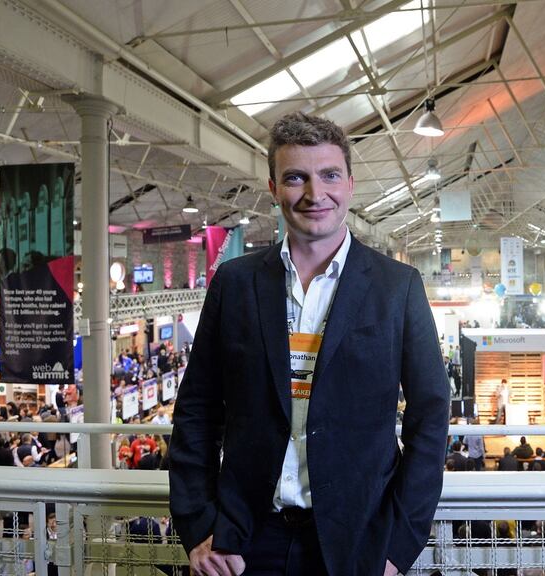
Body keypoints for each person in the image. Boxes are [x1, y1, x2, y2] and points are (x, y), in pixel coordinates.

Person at [168, 112, 450, 576]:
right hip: (243, 542)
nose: (315, 195)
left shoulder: (396, 287)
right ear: (274, 187)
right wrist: (198, 524)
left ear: (351, 184)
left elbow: (431, 415)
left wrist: (399, 544)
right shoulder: (235, 284)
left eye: (329, 175)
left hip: (357, 541)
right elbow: (197, 409)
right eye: (296, 177)